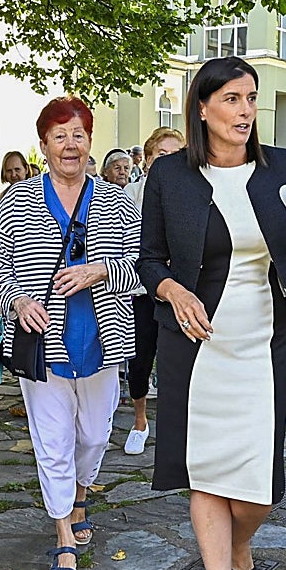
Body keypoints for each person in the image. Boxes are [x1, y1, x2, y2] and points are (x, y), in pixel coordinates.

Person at [138, 57, 286, 570]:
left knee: (258, 491)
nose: (245, 111)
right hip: (195, 348)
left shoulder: (284, 170)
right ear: (202, 107)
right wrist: (173, 290)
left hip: (262, 343)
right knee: (204, 471)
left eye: (251, 99)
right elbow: (149, 260)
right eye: (231, 99)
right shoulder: (170, 174)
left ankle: (242, 545)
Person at [0, 95, 141, 570]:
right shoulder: (15, 200)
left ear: (89, 143)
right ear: (44, 145)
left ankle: (80, 493)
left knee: (93, 435)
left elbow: (139, 271)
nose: (70, 145)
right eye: (60, 136)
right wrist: (17, 302)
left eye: (79, 135)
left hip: (102, 341)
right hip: (42, 342)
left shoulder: (118, 202)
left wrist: (99, 272)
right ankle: (64, 535)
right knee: (52, 443)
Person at [122, 127, 186, 455]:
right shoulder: (131, 194)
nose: (170, 161)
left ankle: (178, 427)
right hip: (139, 288)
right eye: (163, 154)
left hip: (181, 288)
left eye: (177, 154)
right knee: (141, 356)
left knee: (178, 360)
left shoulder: (194, 193)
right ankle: (140, 420)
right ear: (147, 159)